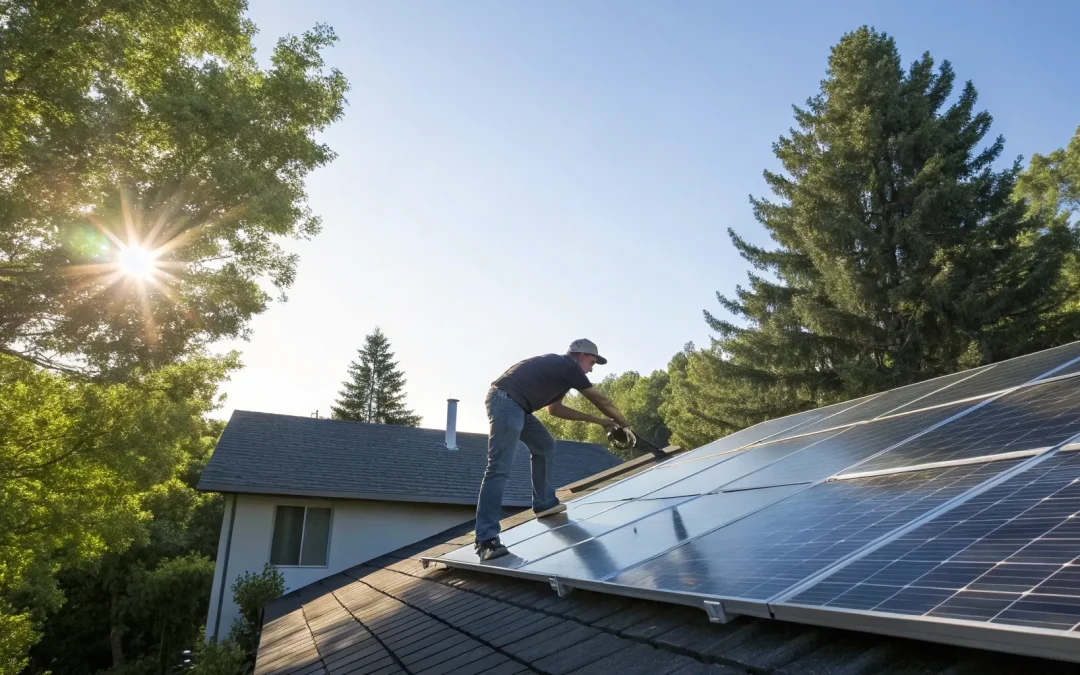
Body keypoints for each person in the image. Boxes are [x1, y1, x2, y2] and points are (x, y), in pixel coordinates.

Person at [474, 338, 633, 561]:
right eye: (591, 361)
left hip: (516, 406)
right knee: (498, 469)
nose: (592, 367)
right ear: (579, 355)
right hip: (505, 400)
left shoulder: (562, 375)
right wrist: (625, 425)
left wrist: (601, 421)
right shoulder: (568, 366)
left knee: (545, 443)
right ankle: (486, 540)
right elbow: (600, 398)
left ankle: (545, 503)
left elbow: (554, 410)